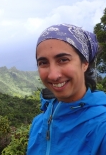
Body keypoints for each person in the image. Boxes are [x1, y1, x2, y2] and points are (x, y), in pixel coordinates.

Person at [27, 23, 106, 155]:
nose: (53, 75)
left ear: (85, 63)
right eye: (43, 63)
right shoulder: (38, 124)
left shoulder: (101, 126)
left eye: (63, 60)